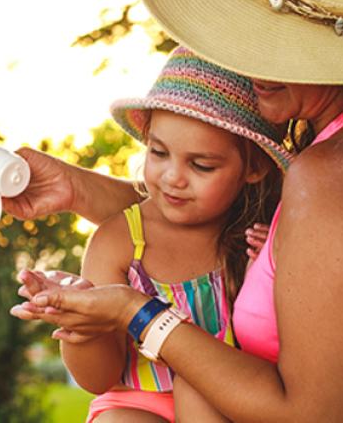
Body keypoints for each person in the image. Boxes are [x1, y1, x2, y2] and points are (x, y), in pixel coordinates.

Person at [7, 0, 343, 421]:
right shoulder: (305, 169)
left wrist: (134, 311)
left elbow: (315, 411)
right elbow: (179, 217)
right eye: (159, 153)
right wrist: (79, 192)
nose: (244, 58)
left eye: (273, 40)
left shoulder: (325, 175)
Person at [50, 46, 290, 423]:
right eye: (159, 153)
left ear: (254, 168)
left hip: (226, 399)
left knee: (198, 392)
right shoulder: (121, 242)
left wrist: (270, 275)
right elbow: (97, 379)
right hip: (137, 401)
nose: (173, 177)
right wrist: (83, 328)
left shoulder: (254, 238)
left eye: (201, 165)